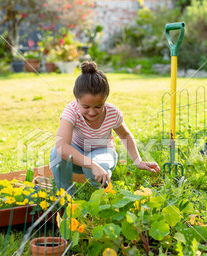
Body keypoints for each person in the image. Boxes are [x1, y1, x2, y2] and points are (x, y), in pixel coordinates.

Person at [49, 61, 160, 193]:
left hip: (103, 153)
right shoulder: (71, 111)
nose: (92, 112)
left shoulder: (112, 112)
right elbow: (62, 146)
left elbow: (125, 135)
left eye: (98, 106)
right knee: (56, 153)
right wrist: (91, 164)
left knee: (96, 166)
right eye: (85, 107)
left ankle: (102, 197)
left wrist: (138, 161)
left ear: (105, 100)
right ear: (77, 100)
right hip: (78, 157)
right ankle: (66, 197)